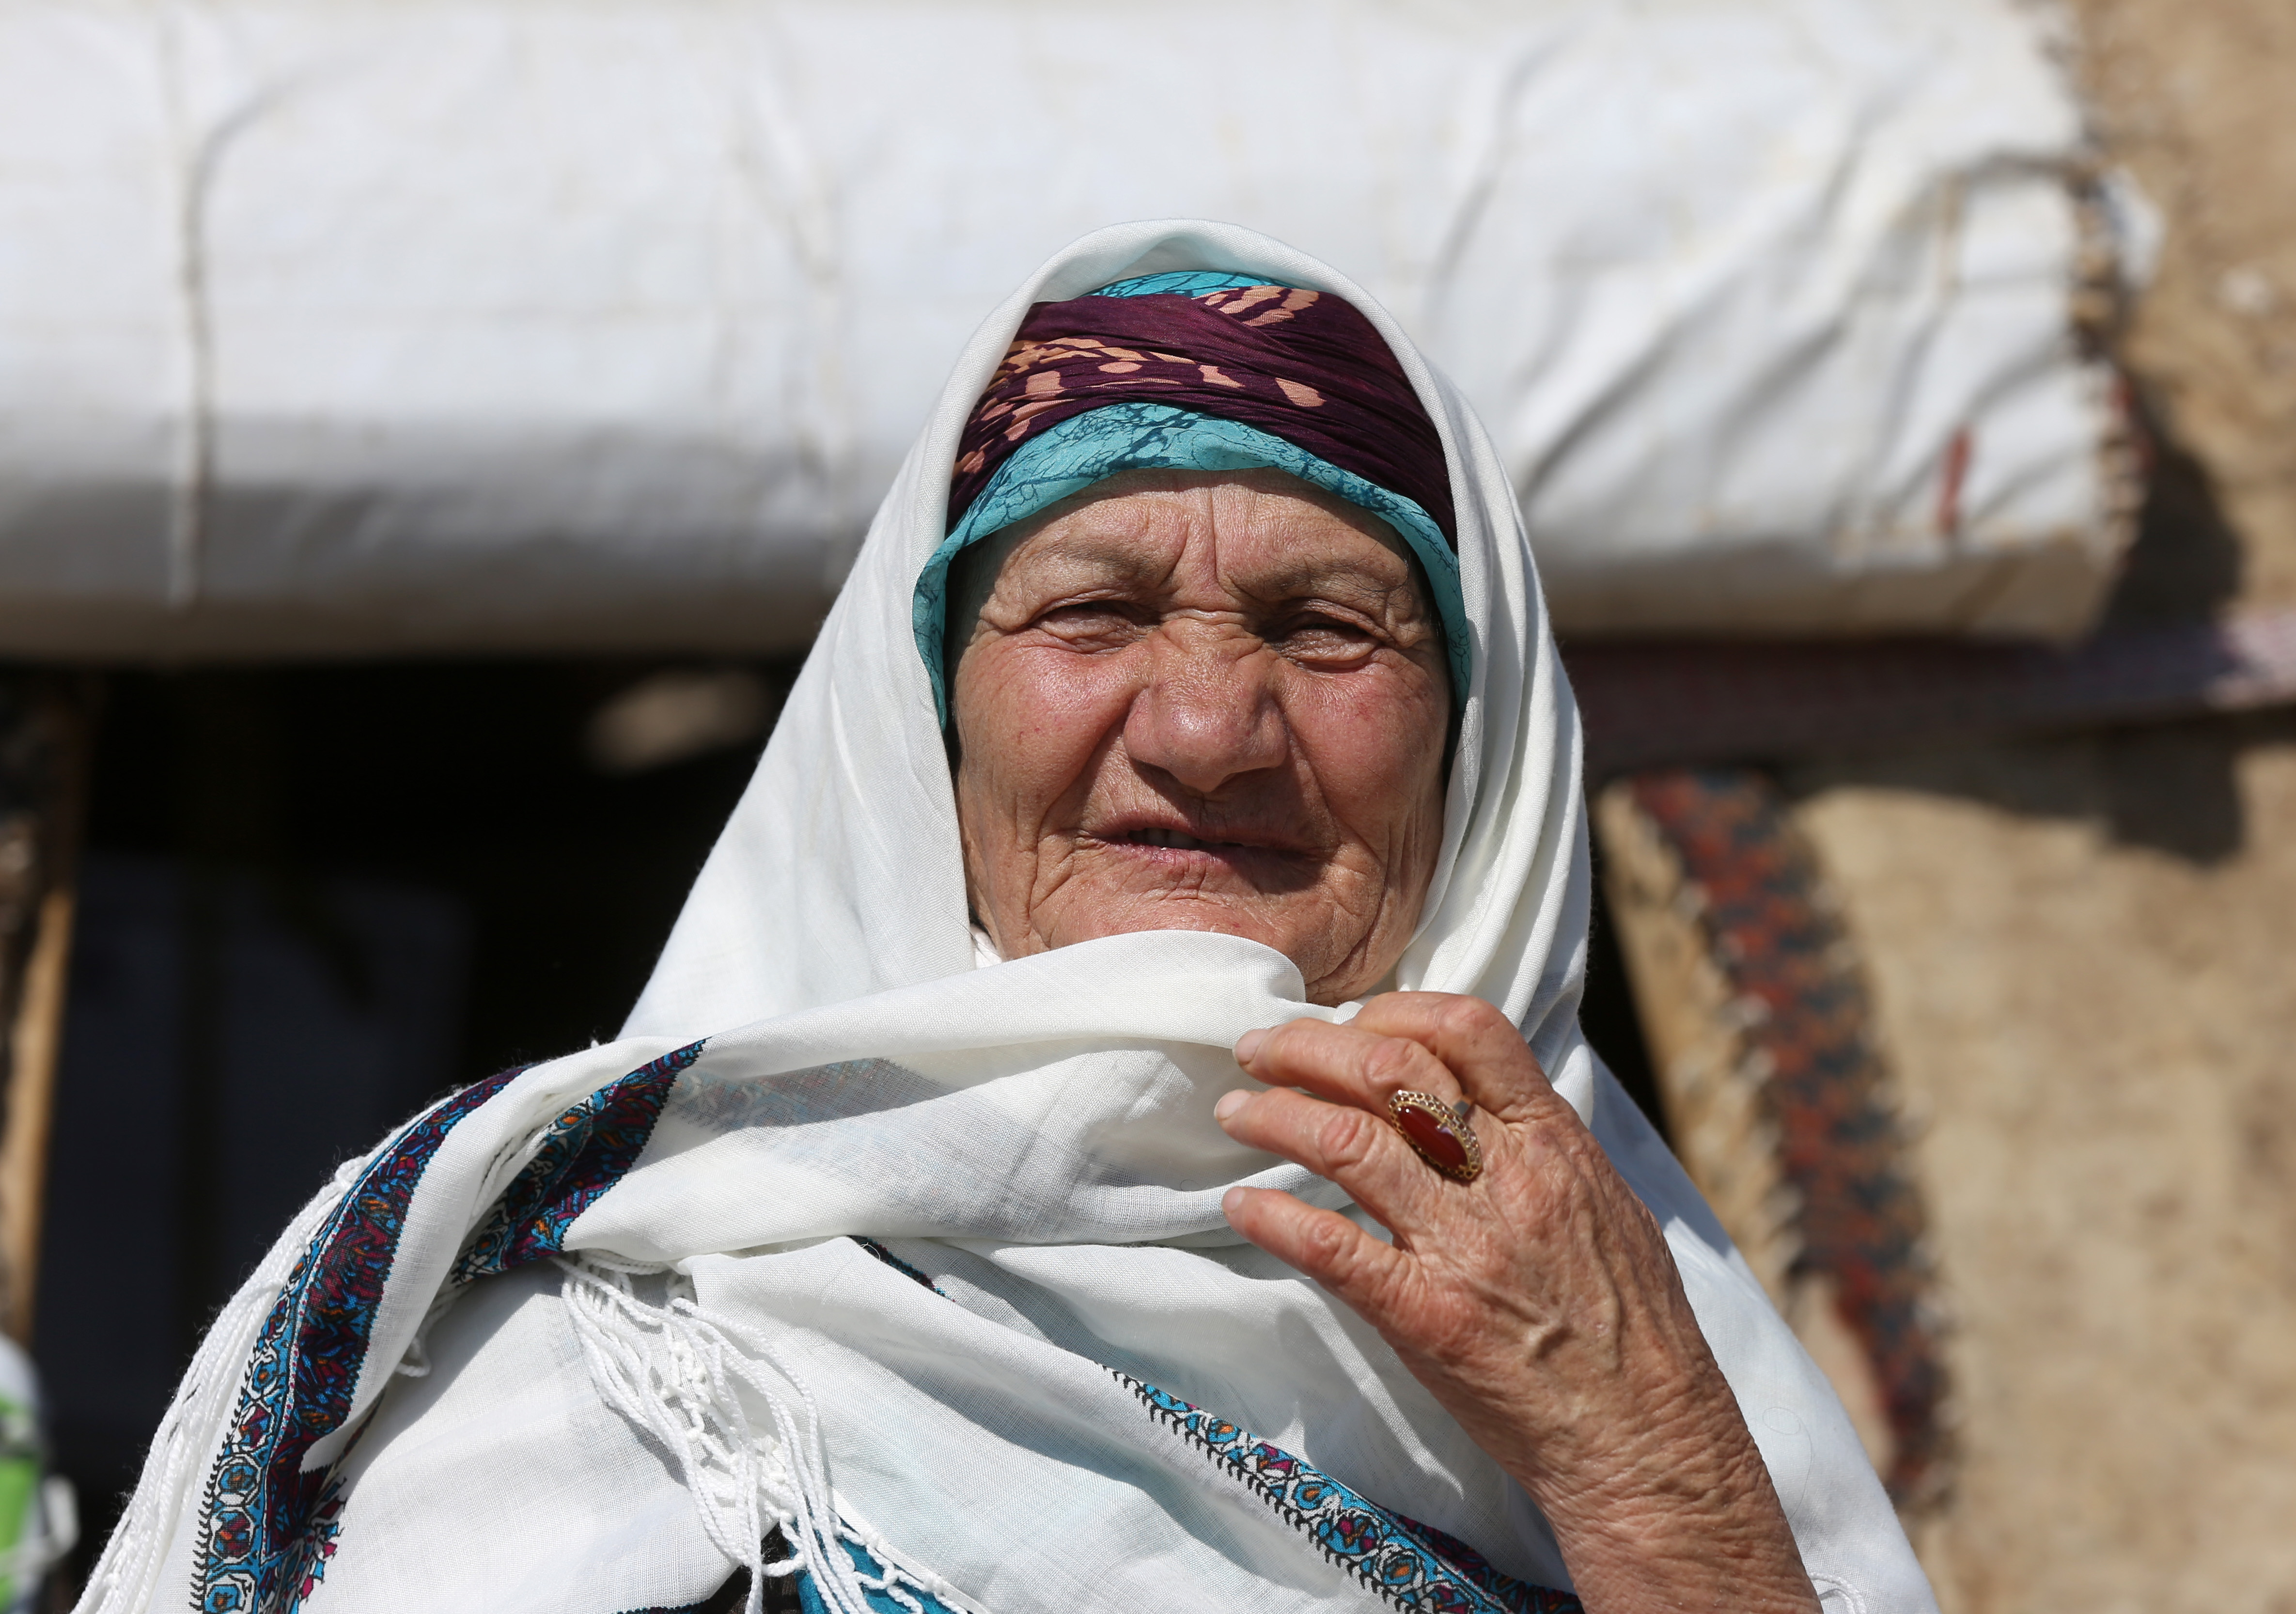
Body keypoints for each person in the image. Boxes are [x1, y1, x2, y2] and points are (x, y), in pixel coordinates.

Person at [82, 223, 1935, 1614]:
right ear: (921, 721)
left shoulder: (1645, 1329)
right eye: (1092, 614)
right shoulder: (621, 1348)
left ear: (1486, 746)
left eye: (1326, 631)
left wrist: (1638, 1465)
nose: (1208, 731)